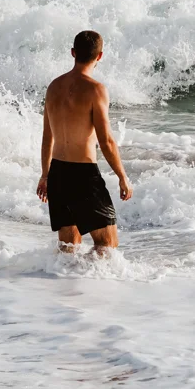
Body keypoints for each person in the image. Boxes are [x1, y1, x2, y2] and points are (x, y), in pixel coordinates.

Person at [37, 30, 132, 256]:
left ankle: (63, 279)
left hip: (58, 173)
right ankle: (97, 281)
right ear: (99, 56)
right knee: (107, 245)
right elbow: (106, 141)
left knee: (68, 249)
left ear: (73, 53)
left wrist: (45, 175)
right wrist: (122, 176)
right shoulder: (96, 90)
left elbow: (47, 137)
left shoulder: (53, 87)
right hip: (83, 175)